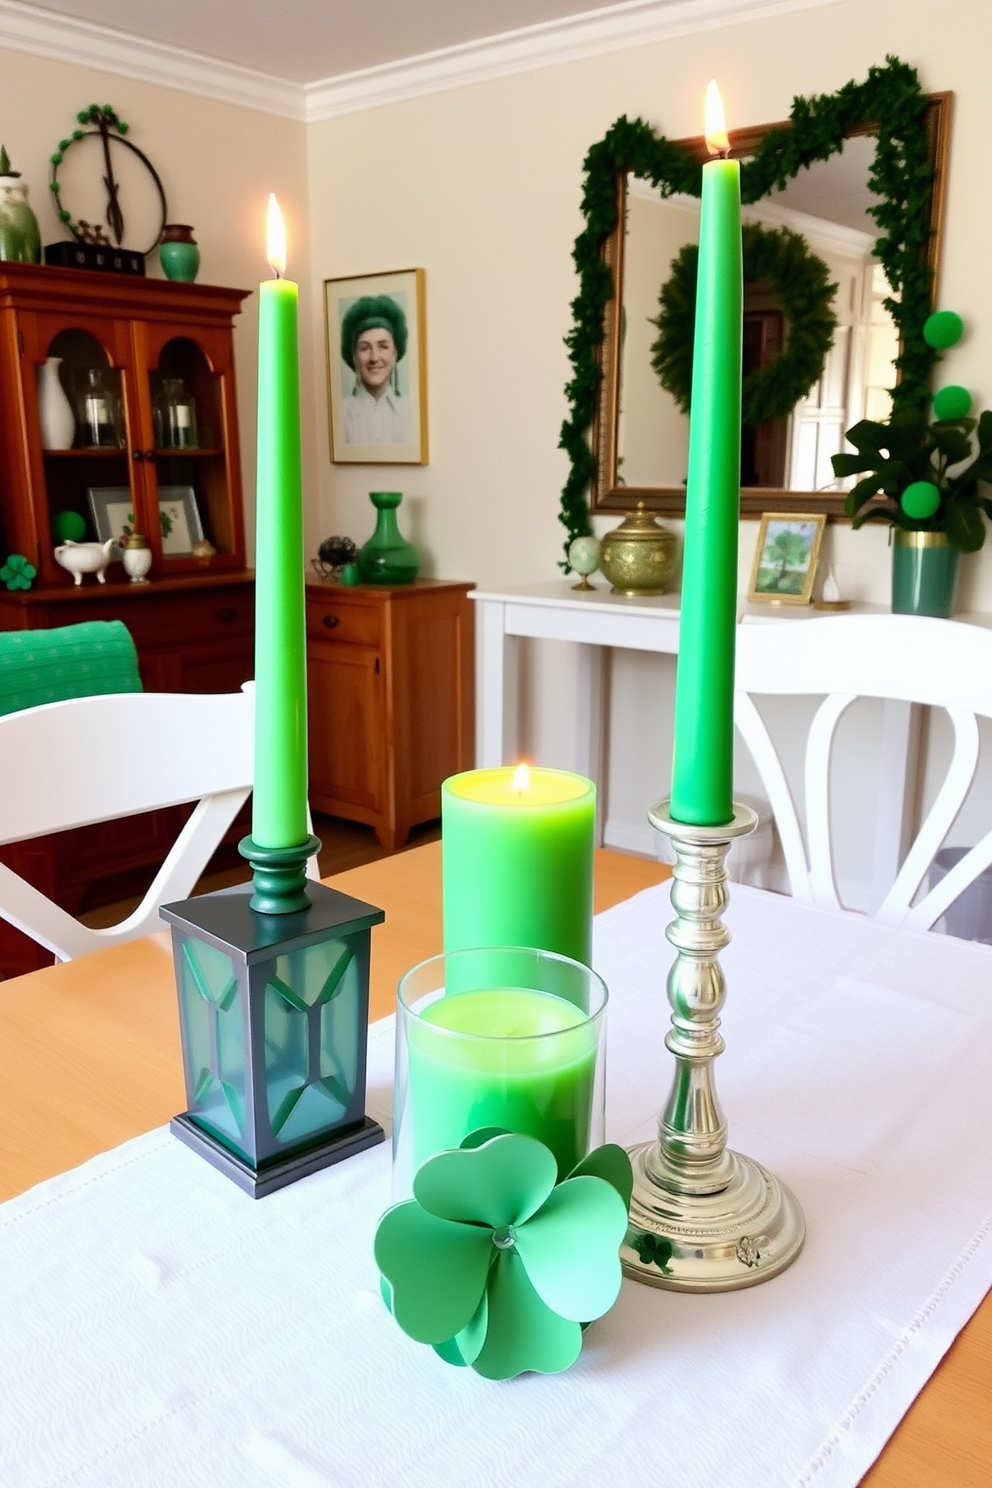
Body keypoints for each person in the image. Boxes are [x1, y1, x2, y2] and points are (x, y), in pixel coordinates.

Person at [340, 294, 410, 445]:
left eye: (383, 346)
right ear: (354, 356)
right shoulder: (342, 414)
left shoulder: (410, 411)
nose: (374, 357)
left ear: (395, 353)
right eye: (364, 348)